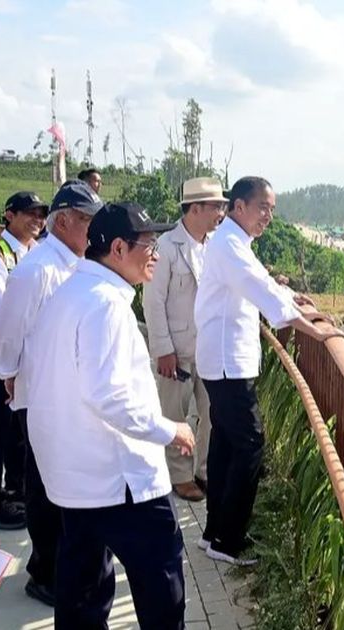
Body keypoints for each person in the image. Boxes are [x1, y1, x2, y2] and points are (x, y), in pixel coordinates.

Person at [25, 202, 194, 629]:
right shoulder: (107, 305)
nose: (155, 254)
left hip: (75, 478)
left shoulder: (71, 293)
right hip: (119, 479)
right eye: (148, 245)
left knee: (83, 592)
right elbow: (111, 397)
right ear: (118, 248)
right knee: (162, 589)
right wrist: (170, 430)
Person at [194, 176, 342, 565]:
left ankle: (214, 533)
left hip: (224, 359)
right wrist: (315, 329)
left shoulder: (234, 241)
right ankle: (228, 540)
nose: (268, 217)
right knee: (249, 444)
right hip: (227, 363)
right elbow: (258, 287)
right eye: (263, 208)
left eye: (272, 210)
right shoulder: (229, 245)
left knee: (227, 444)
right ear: (239, 206)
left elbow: (262, 282)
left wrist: (292, 298)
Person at [0, 180, 102, 607]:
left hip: (73, 395)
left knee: (65, 484)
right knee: (45, 487)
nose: (93, 229)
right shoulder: (35, 269)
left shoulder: (81, 264)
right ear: (64, 221)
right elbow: (6, 333)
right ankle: (44, 571)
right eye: (88, 220)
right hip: (39, 395)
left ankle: (63, 566)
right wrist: (9, 373)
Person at [143, 177, 226, 502]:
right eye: (215, 206)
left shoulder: (215, 246)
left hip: (208, 349)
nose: (221, 212)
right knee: (175, 413)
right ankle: (179, 475)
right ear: (194, 209)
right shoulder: (166, 247)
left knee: (211, 413)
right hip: (176, 349)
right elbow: (153, 301)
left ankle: (204, 469)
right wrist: (163, 349)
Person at [0, 191, 47, 531]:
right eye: (29, 212)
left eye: (41, 213)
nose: (36, 218)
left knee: (20, 428)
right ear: (8, 215)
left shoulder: (38, 254)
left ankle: (17, 488)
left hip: (29, 352)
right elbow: (5, 308)